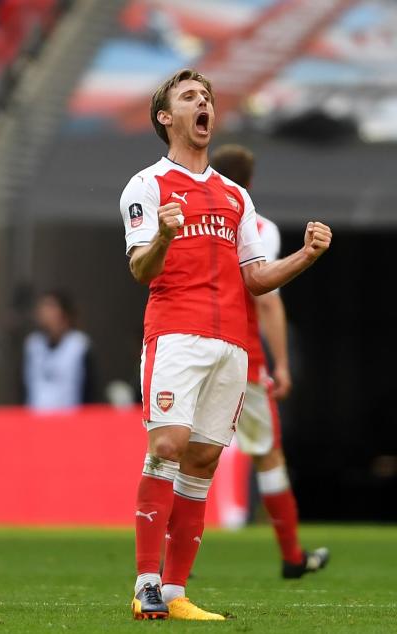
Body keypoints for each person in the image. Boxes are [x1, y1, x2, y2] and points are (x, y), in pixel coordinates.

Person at [119, 69, 332, 620]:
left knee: (205, 460)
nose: (203, 102)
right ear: (167, 118)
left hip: (231, 344)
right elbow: (141, 269)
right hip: (175, 335)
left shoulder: (235, 196)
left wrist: (306, 255)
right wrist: (165, 234)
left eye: (207, 96)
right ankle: (145, 584)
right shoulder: (146, 186)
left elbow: (256, 277)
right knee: (167, 445)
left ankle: (175, 593)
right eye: (189, 97)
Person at [210, 143, 329, 579]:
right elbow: (268, 302)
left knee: (182, 455)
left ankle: (163, 568)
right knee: (268, 455)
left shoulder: (189, 222)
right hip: (244, 354)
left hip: (196, 347)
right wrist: (282, 364)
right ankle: (292, 555)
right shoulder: (261, 227)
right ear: (251, 183)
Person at [23, 291, 94, 410]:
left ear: (64, 315)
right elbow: (24, 388)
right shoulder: (32, 346)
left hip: (69, 421)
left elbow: (89, 391)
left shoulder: (79, 346)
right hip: (35, 421)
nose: (44, 313)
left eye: (50, 307)